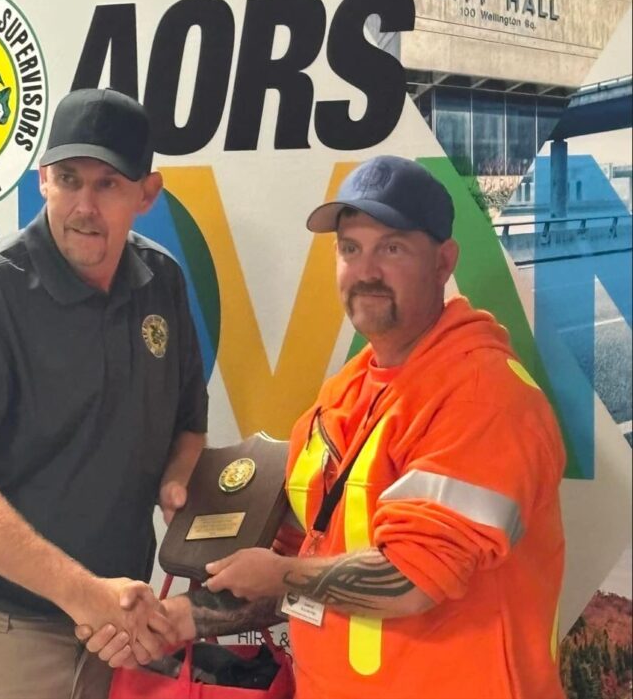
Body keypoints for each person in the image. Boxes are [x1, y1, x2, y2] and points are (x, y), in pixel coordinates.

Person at [83, 155, 566, 699]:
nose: (366, 271)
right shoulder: (343, 395)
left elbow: (411, 579)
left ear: (443, 262)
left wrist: (282, 575)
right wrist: (179, 618)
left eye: (392, 248)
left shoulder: (484, 396)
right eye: (350, 248)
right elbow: (308, 567)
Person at [0, 87, 208, 699]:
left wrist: (178, 483)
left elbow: (188, 427)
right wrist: (85, 594)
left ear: (146, 195)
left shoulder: (162, 283)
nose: (84, 206)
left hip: (116, 637)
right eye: (69, 179)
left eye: (108, 184)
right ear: (42, 179)